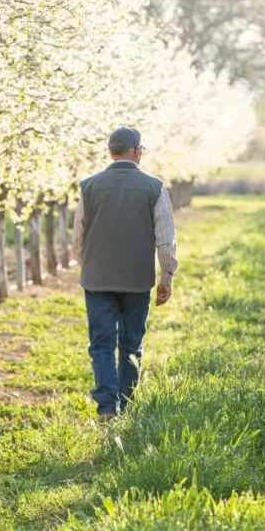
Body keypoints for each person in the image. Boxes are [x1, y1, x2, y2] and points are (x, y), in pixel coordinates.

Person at [72, 127, 178, 421]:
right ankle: (126, 404)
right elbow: (165, 240)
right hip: (136, 280)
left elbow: (78, 237)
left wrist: (90, 265)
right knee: (131, 343)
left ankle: (107, 406)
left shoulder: (88, 186)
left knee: (101, 342)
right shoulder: (154, 187)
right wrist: (166, 277)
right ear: (136, 152)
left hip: (97, 279)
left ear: (110, 151)